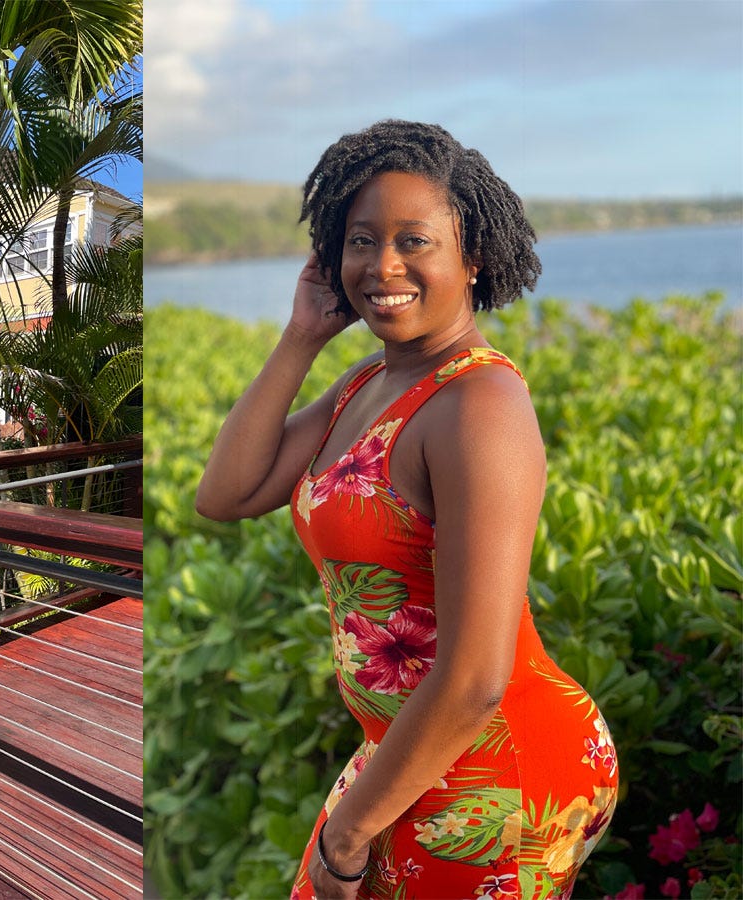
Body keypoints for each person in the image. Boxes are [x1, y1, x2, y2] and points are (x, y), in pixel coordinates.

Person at [196, 121, 617, 899]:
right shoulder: (367, 384)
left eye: (414, 241)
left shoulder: (479, 407)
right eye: (362, 240)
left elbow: (474, 679)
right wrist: (300, 338)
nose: (383, 265)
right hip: (407, 751)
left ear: (473, 257)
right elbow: (227, 494)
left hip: (497, 763)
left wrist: (348, 836)